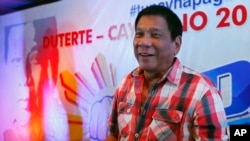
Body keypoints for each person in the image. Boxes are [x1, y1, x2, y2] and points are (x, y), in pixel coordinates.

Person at [106, 5, 229, 141]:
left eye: (155, 35)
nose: (144, 42)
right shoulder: (125, 83)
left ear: (176, 45)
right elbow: (113, 135)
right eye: (139, 34)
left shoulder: (203, 92)